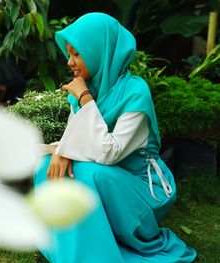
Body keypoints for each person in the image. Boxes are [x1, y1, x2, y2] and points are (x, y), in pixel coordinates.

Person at [33, 13, 197, 263]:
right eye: (69, 54)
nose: (69, 62)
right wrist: (59, 151)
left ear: (100, 50)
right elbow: (73, 138)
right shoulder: (85, 91)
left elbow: (109, 153)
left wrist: (86, 100)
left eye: (76, 54)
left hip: (141, 190)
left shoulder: (134, 92)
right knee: (47, 168)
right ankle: (71, 252)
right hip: (109, 181)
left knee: (88, 174)